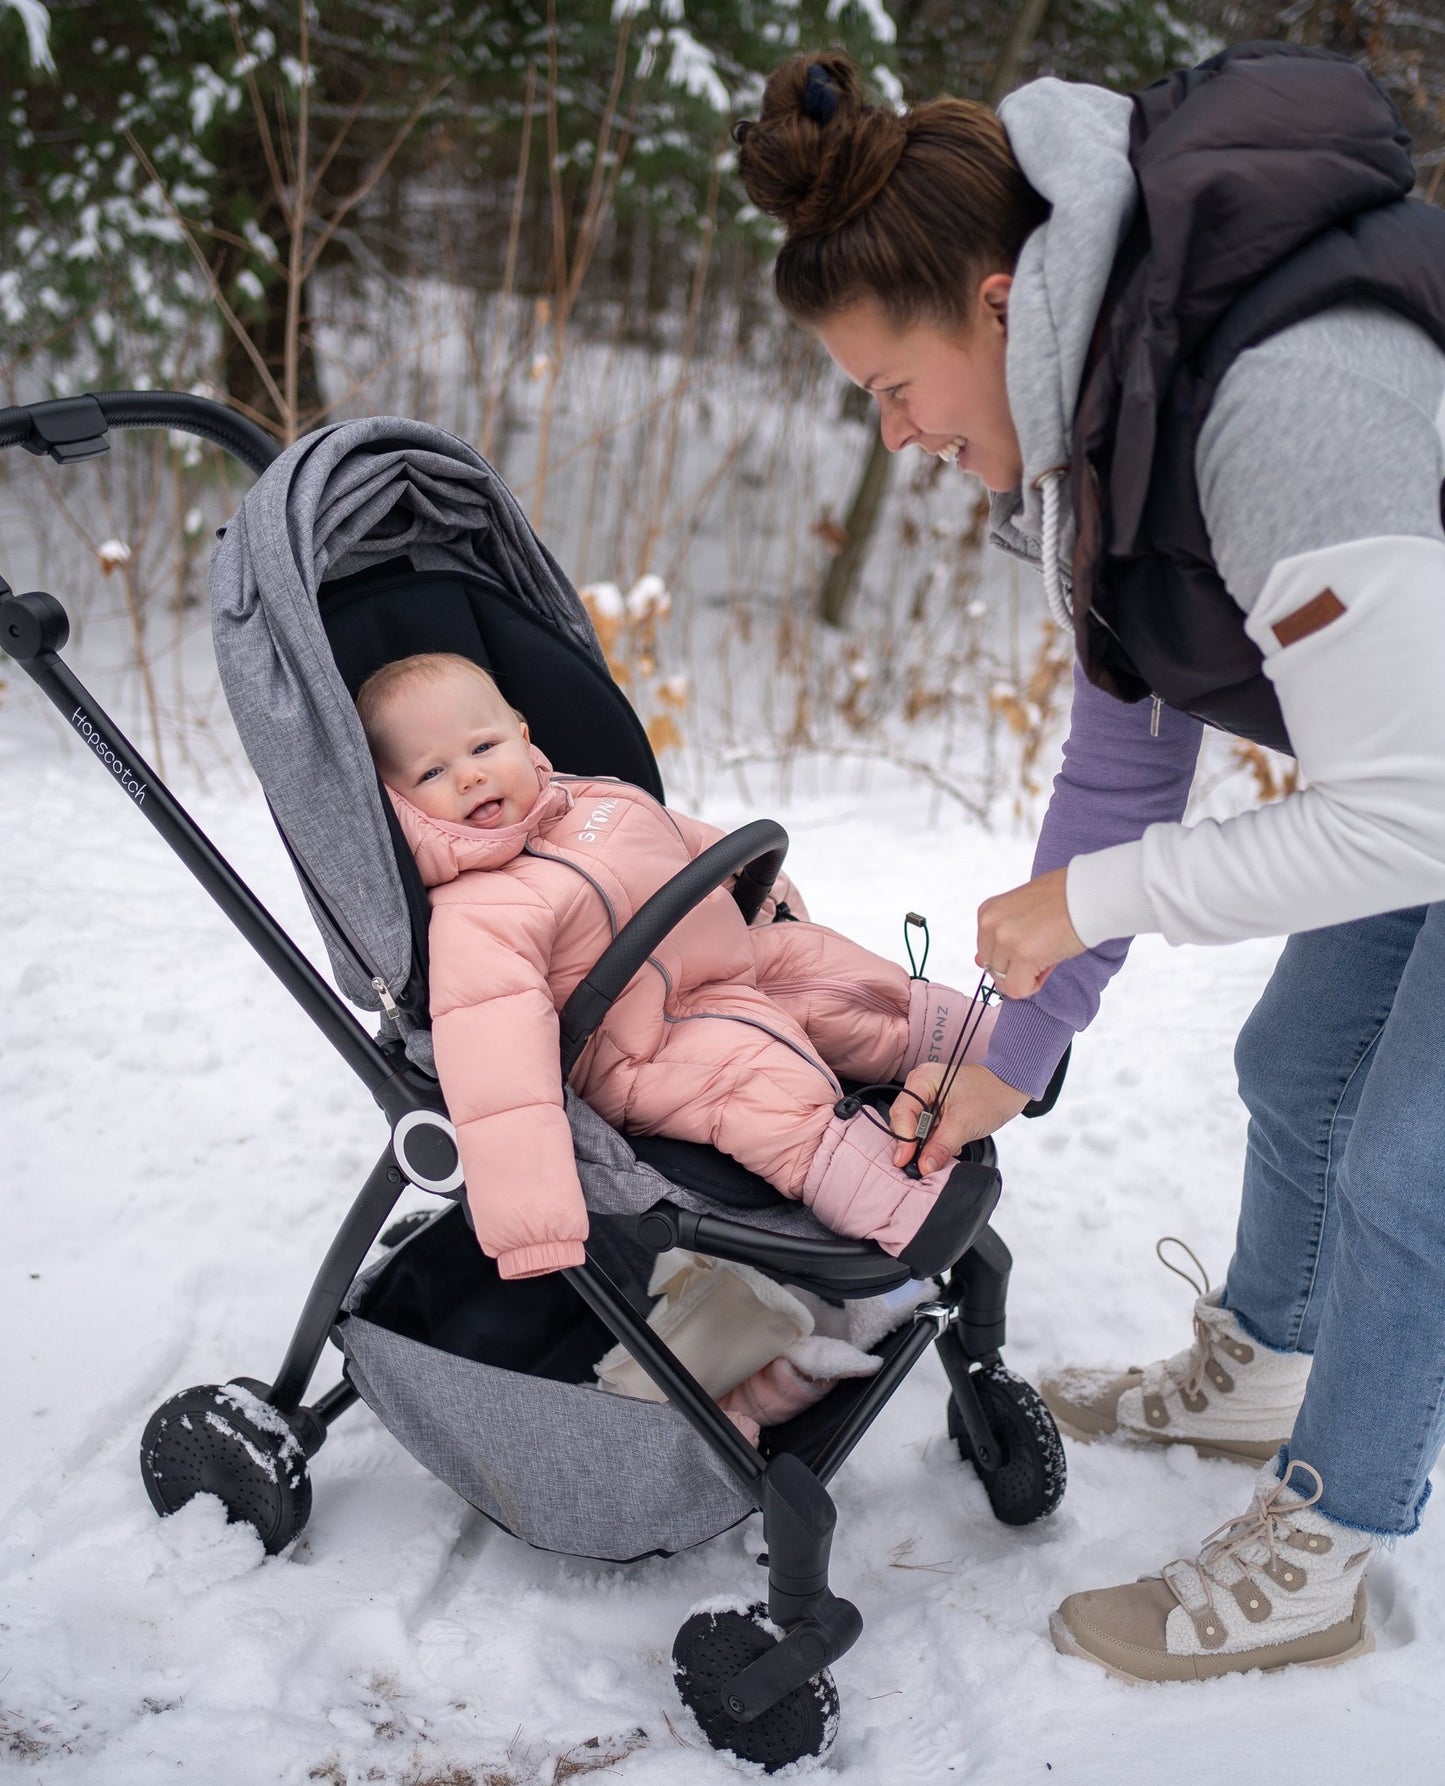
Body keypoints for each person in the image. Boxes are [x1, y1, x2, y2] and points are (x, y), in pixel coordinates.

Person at [733, 41, 1445, 1680]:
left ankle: (1335, 1539)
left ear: (998, 302)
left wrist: (1092, 907)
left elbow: (1407, 816)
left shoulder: (1277, 400)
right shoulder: (1108, 416)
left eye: (895, 391)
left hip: (1430, 772)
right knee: (1301, 1061)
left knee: (1412, 1164)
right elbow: (1129, 756)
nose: (900, 439)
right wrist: (1015, 1046)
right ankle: (1271, 1358)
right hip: (1428, 744)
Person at [355, 650, 998, 1289]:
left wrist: (766, 899)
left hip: (719, 962)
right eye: (433, 770)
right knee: (753, 1078)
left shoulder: (599, 801)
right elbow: (498, 1073)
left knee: (822, 970)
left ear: (524, 740)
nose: (469, 777)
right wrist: (532, 1223)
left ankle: (990, 1049)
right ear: (398, 804)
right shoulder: (475, 912)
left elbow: (690, 845)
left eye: (483, 746)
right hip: (636, 1048)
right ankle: (902, 1202)